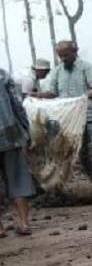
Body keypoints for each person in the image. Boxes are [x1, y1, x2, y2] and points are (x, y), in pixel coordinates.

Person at [40, 40, 92, 182]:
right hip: (71, 118)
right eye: (60, 56)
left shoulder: (86, 67)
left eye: (66, 55)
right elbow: (53, 93)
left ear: (75, 52)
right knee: (81, 150)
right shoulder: (57, 72)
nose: (63, 59)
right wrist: (37, 96)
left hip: (90, 115)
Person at [0, 67, 33, 236]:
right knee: (18, 178)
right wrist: (26, 128)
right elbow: (17, 104)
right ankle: (24, 223)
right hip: (9, 133)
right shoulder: (2, 75)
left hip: (8, 135)